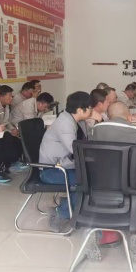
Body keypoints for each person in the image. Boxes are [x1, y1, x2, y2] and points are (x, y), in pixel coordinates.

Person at [89, 101, 136, 262]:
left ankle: (96, 234)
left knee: (103, 199)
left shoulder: (95, 130)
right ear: (130, 117)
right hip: (133, 191)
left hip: (100, 191)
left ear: (108, 116)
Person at [39, 91, 91, 232]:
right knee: (84, 181)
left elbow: (87, 141)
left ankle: (72, 206)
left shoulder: (76, 120)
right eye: (89, 108)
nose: (91, 110)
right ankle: (60, 212)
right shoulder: (65, 124)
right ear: (80, 110)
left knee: (89, 176)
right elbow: (76, 151)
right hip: (51, 170)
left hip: (64, 164)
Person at [0, 85, 26, 173]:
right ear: (1, 97)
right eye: (9, 96)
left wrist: (12, 129)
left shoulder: (6, 106)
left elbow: (6, 122)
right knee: (8, 139)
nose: (11, 98)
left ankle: (13, 163)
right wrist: (9, 131)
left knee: (19, 139)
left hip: (2, 130)